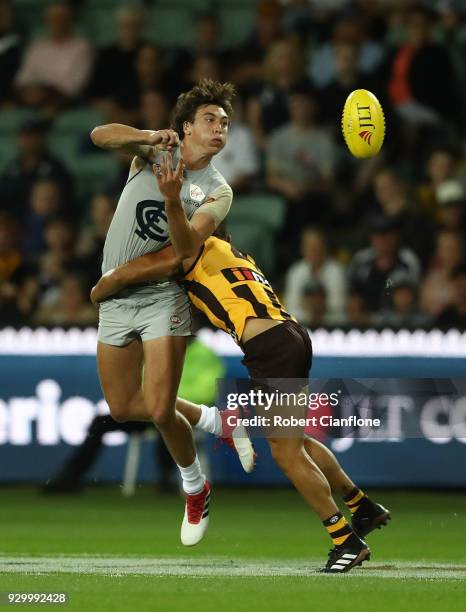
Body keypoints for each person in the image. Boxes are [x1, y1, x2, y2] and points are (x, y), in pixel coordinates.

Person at [91, 231, 391, 574]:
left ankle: (345, 541)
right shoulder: (232, 252)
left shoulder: (187, 254)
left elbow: (134, 271)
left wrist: (101, 287)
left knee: (287, 453)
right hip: (289, 333)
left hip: (270, 348)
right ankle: (360, 504)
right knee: (294, 442)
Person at [89, 79, 235, 547]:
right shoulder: (154, 153)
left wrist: (173, 199)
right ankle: (213, 420)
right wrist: (147, 137)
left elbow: (184, 252)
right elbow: (98, 135)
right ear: (186, 127)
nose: (219, 128)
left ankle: (194, 487)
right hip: (116, 302)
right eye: (210, 119)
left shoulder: (218, 190)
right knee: (122, 407)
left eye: (225, 122)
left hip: (161, 297)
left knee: (157, 407)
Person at [42, 336, 225, 494]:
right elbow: (142, 385)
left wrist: (166, 399)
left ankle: (167, 479)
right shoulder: (158, 350)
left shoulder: (205, 354)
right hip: (148, 411)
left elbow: (207, 392)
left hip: (180, 412)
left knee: (167, 419)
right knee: (101, 423)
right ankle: (70, 475)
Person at [14, 1, 93, 112]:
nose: (57, 23)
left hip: (62, 101)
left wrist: (45, 92)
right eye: (53, 19)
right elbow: (23, 78)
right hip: (30, 97)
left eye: (61, 19)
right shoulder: (37, 48)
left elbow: (73, 86)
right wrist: (29, 90)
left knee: (49, 110)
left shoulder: (81, 48)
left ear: (69, 20)